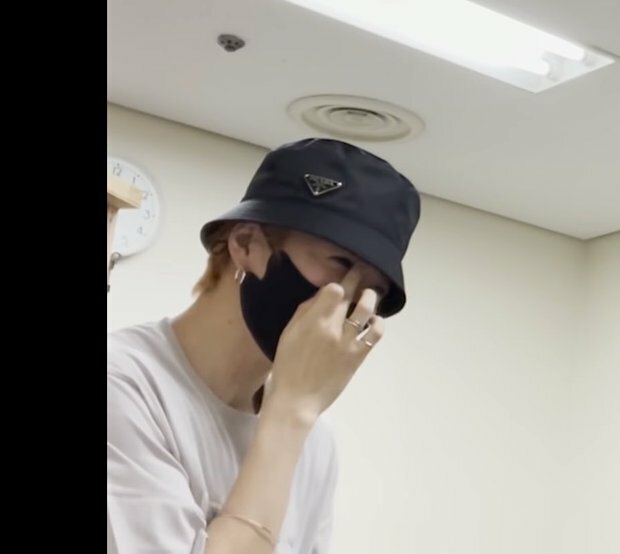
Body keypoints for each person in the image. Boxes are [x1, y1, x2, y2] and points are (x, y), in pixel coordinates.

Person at [106, 138, 422, 553]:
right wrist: (289, 413)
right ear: (245, 244)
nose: (351, 301)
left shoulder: (313, 437)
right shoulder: (125, 386)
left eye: (372, 290)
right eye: (341, 264)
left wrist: (294, 414)